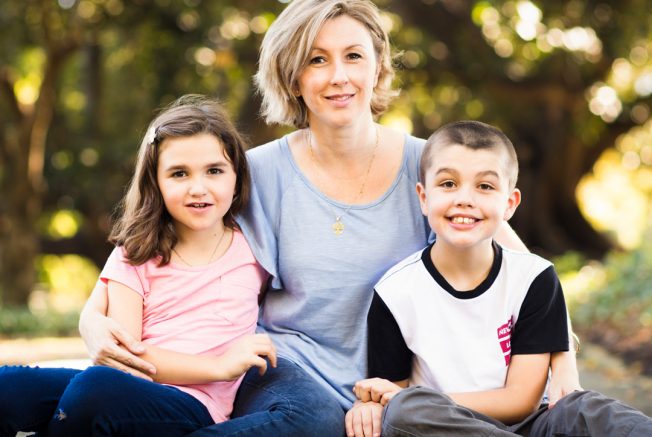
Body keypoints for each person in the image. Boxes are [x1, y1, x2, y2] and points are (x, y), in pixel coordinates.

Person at [77, 1, 582, 436]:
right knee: (311, 424)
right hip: (287, 373)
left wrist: (565, 370)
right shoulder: (254, 174)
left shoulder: (434, 168)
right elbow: (142, 248)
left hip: (396, 386)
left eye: (353, 56)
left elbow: (527, 276)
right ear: (292, 77)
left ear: (378, 67)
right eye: (317, 60)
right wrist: (91, 323)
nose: (338, 75)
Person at [352, 120, 652, 436]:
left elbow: (521, 399)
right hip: (449, 427)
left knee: (585, 409)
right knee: (405, 412)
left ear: (509, 204)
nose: (464, 199)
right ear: (423, 197)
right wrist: (391, 402)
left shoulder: (533, 278)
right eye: (448, 184)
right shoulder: (395, 292)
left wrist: (414, 398)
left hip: (534, 424)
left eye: (485, 186)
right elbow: (391, 397)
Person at [0, 95, 277, 436]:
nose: (198, 188)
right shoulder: (137, 251)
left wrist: (220, 370)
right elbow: (128, 360)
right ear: (156, 182)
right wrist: (219, 365)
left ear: (236, 176)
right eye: (179, 174)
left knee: (94, 391)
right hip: (128, 384)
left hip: (194, 403)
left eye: (214, 171)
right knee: (7, 386)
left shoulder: (255, 249)